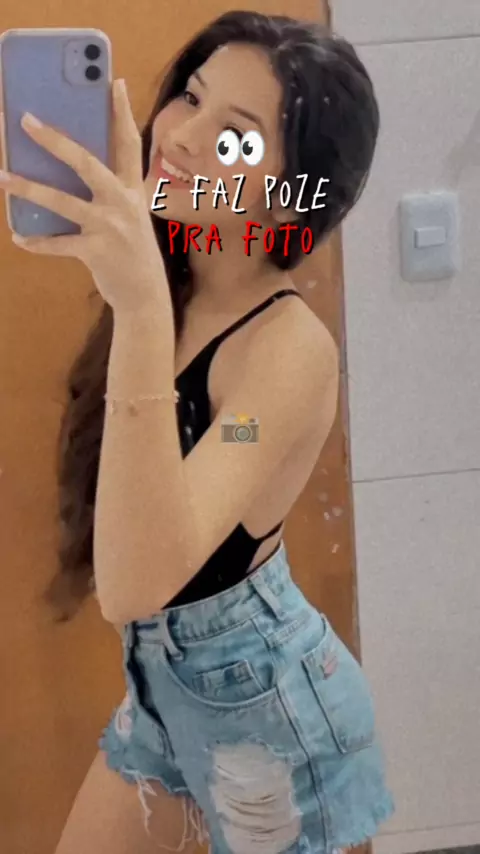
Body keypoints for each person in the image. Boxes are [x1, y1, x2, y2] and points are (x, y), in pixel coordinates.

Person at [1, 10, 394, 853]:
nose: (180, 136)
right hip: (162, 699)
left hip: (273, 725)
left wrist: (140, 308)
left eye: (237, 138)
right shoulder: (170, 277)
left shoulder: (287, 356)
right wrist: (142, 295)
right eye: (189, 95)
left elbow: (137, 581)